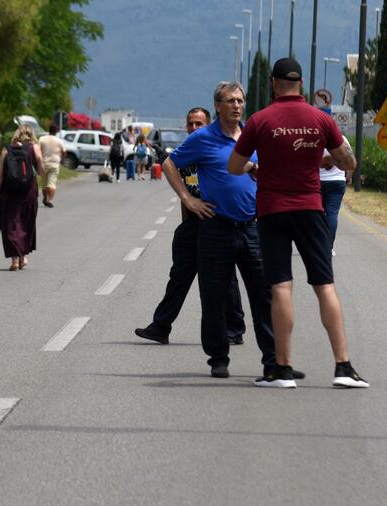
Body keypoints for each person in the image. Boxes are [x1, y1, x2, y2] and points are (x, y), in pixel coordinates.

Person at [229, 58, 367, 389]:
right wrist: (323, 158)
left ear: (274, 83)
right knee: (325, 285)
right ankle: (344, 367)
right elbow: (349, 161)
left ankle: (282, 370)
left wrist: (257, 167)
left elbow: (234, 166)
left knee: (280, 287)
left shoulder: (260, 120)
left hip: (272, 210)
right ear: (301, 84)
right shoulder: (320, 119)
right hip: (310, 208)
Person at [164, 81, 277, 379]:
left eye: (240, 100)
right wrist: (188, 199)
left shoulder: (253, 135)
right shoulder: (203, 137)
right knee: (213, 296)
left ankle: (274, 360)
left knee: (264, 295)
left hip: (252, 225)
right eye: (230, 101)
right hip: (216, 225)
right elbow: (169, 164)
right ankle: (218, 357)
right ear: (217, 105)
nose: (236, 106)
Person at [134, 107, 246, 345]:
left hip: (218, 219)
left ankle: (234, 328)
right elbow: (173, 171)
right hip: (194, 223)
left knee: (226, 276)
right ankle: (161, 326)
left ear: (208, 125)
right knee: (180, 274)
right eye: (190, 123)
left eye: (199, 123)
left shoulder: (217, 147)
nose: (194, 128)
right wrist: (188, 204)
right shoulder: (186, 153)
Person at [0, 125, 44, 271]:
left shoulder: (7, 149)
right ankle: (22, 257)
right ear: (31, 134)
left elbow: (1, 174)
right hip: (28, 190)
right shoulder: (35, 148)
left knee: (11, 223)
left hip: (9, 190)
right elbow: (41, 170)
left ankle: (15, 260)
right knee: (26, 222)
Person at [319, 134, 351, 254]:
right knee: (332, 214)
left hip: (318, 182)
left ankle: (317, 245)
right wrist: (348, 177)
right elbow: (350, 160)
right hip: (337, 181)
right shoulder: (342, 139)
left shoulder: (315, 137)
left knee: (318, 215)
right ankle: (329, 247)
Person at [38, 123, 66, 208]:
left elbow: (38, 149)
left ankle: (45, 198)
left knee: (44, 183)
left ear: (49, 130)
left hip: (44, 163)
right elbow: (64, 151)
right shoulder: (59, 141)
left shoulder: (42, 139)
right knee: (52, 183)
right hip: (55, 163)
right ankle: (50, 200)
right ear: (56, 131)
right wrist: (62, 159)